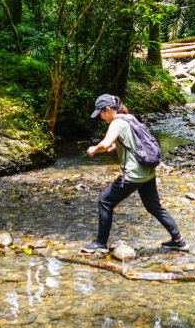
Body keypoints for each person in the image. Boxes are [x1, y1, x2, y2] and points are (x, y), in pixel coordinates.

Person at [80, 93, 187, 253]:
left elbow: (105, 143)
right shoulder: (129, 117)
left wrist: (94, 149)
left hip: (134, 174)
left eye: (100, 113)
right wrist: (117, 146)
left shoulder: (116, 123)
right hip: (148, 171)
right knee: (153, 206)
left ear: (108, 109)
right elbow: (136, 139)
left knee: (105, 202)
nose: (100, 117)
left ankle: (100, 243)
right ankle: (178, 240)